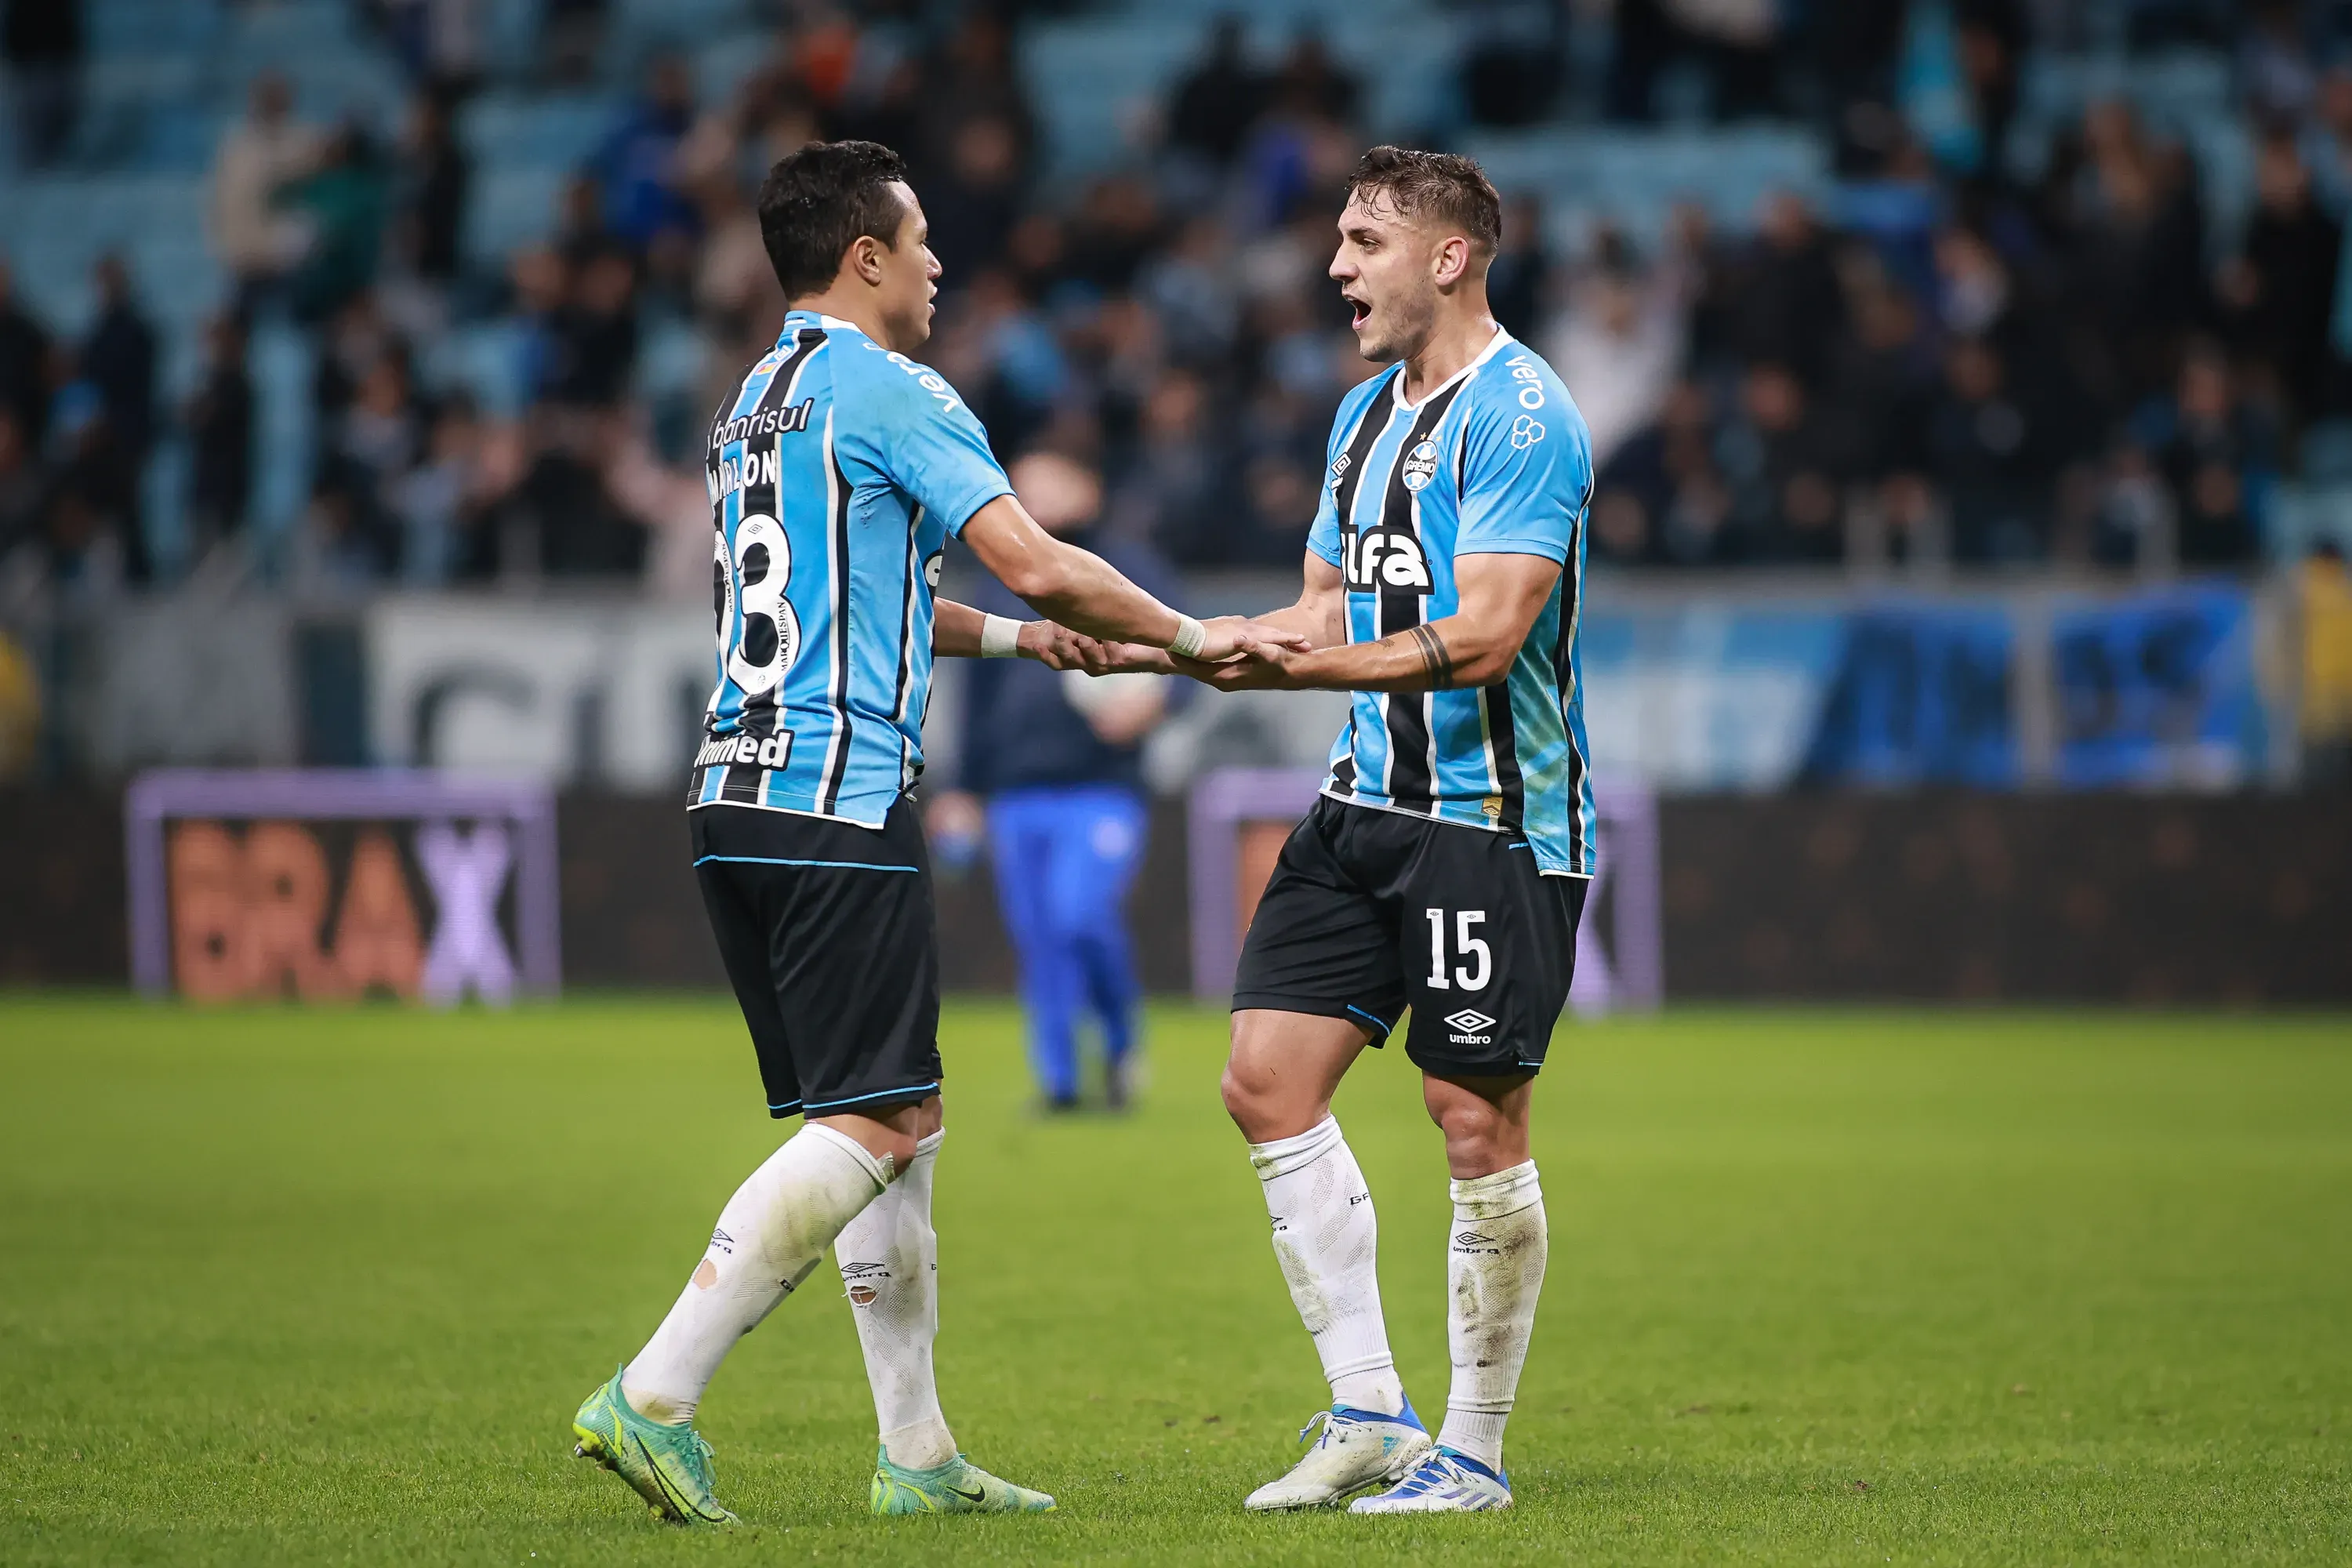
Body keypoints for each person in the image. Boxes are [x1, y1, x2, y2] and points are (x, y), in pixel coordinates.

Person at [567, 139, 1299, 1528]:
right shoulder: (892, 389)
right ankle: (653, 1394)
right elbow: (1035, 554)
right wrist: (1192, 638)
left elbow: (868, 595)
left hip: (736, 793)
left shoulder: (751, 404)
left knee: (906, 1115)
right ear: (865, 258)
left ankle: (916, 1453)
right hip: (840, 796)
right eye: (919, 242)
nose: (938, 264)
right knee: (872, 1123)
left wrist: (1023, 642)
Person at [1104, 146, 1595, 1514]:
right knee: (1264, 1081)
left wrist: (1302, 669)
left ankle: (1475, 1454)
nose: (1335, 267)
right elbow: (1325, 609)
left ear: (1449, 256)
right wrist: (1195, 644)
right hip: (1361, 802)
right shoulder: (1364, 414)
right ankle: (1373, 1412)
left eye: (1364, 242)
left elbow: (1488, 637)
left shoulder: (1525, 416)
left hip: (1489, 819)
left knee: (1473, 1117)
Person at [936, 449, 1180, 1112]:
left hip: (1102, 788)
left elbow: (1191, 649)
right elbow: (975, 702)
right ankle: (1061, 1085)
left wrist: (1154, 704)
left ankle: (1122, 1045)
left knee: (1080, 916)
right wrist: (961, 790)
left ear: (1087, 486)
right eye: (1023, 485)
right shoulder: (1001, 580)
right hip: (1015, 793)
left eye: (1050, 481)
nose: (1033, 495)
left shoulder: (1128, 566)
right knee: (1040, 941)